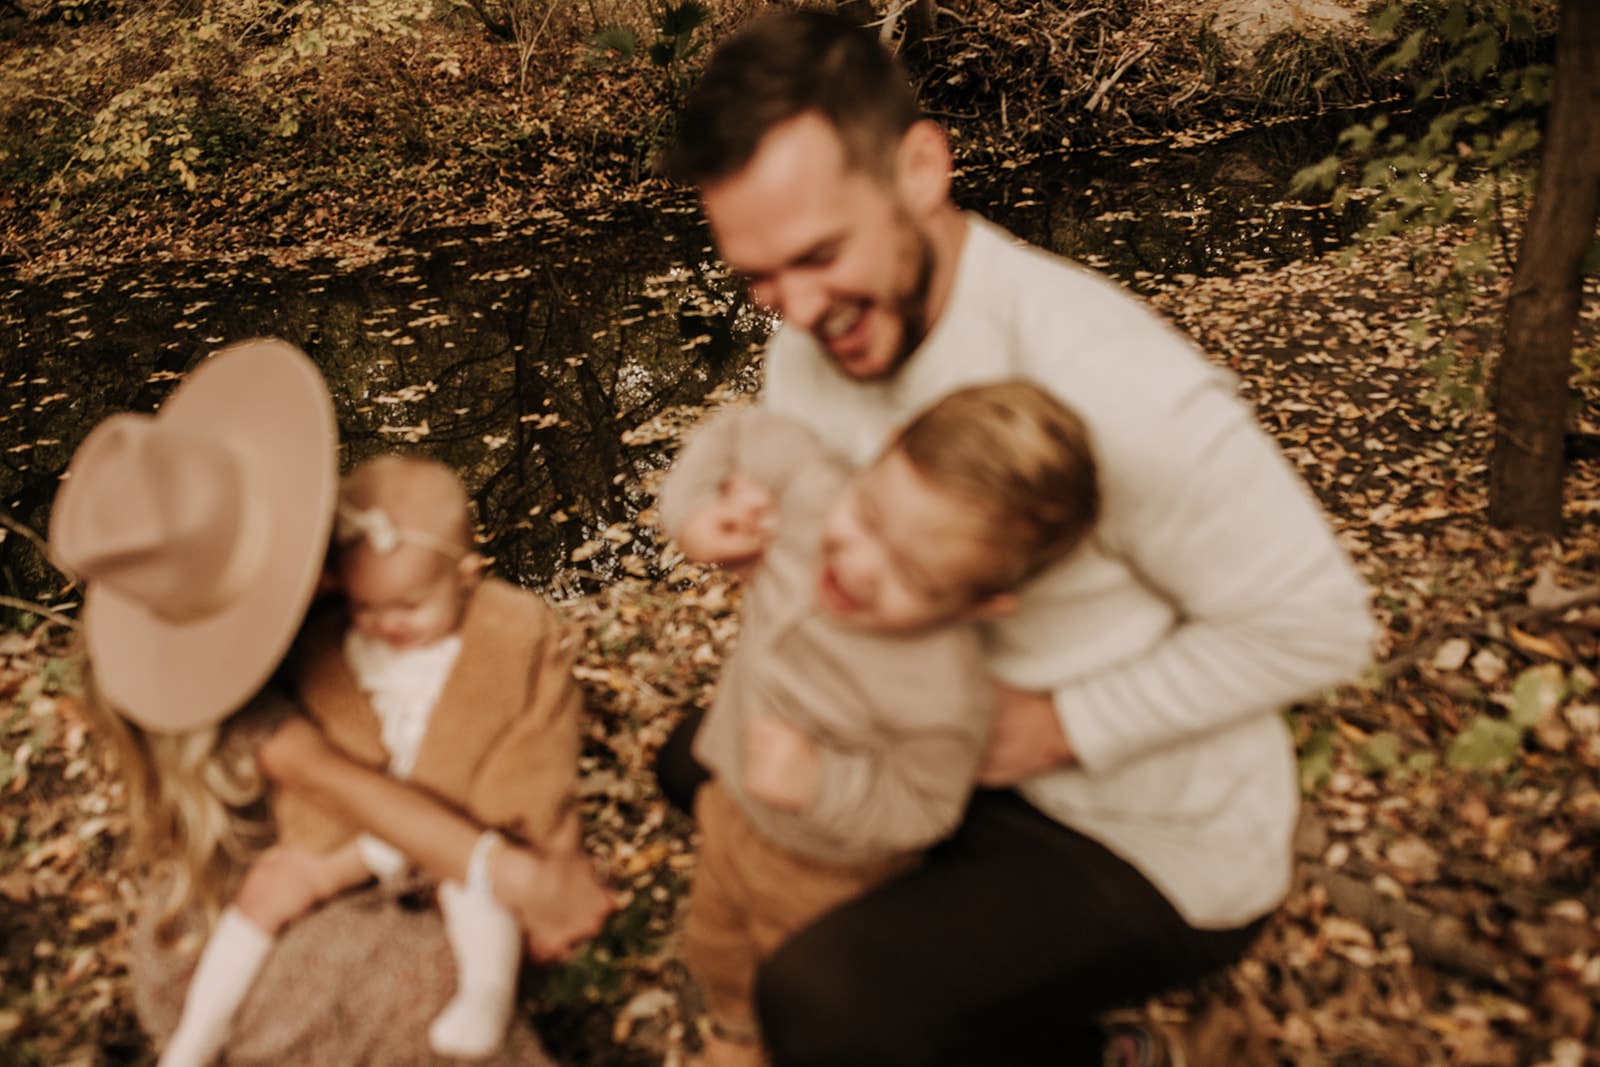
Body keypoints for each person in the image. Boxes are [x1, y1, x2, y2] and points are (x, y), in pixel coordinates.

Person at [655, 10, 1376, 1066]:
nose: (796, 307)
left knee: (821, 1003)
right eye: (757, 276)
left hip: (1131, 828)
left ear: (917, 168)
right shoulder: (817, 336)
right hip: (922, 739)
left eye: (817, 254)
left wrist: (1055, 721)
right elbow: (794, 495)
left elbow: (1320, 627)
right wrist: (728, 521)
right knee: (691, 760)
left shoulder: (1112, 383)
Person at [50, 338, 609, 1067]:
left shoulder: (358, 601)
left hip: (365, 868)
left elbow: (491, 707)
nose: (328, 575)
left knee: (470, 940)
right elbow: (342, 784)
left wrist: (553, 846)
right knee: (428, 981)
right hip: (243, 925)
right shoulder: (222, 700)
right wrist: (523, 875)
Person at [657, 382, 1098, 1067]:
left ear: (984, 602)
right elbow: (740, 430)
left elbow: (925, 807)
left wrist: (821, 782)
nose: (858, 567)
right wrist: (695, 510)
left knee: (793, 986)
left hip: (826, 872)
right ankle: (735, 1029)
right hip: (729, 801)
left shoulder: (943, 691)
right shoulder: (815, 491)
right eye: (867, 515)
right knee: (714, 943)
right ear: (883, 456)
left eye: (915, 577)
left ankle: (774, 1036)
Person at [150, 452, 586, 1065]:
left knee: (479, 894)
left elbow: (534, 749)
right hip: (354, 834)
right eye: (366, 607)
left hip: (457, 821)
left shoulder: (507, 640)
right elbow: (319, 765)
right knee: (268, 889)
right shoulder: (331, 644)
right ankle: (199, 1031)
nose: (386, 624)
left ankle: (486, 992)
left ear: (467, 573)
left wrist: (528, 829)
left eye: (408, 607)